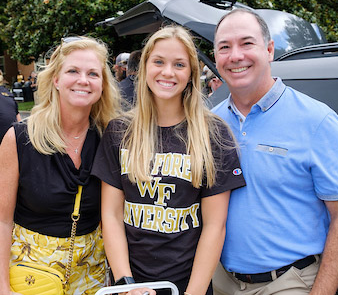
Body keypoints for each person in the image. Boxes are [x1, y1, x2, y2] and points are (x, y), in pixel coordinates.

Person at [211, 9, 338, 295]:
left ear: (269, 50)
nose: (235, 55)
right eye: (224, 47)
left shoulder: (317, 121)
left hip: (288, 283)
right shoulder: (211, 122)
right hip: (221, 281)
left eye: (247, 43)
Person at [93, 26, 245, 295]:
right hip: (131, 284)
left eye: (179, 64)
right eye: (159, 62)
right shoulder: (119, 131)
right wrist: (127, 284)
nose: (167, 72)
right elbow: (112, 216)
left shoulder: (213, 133)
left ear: (191, 74)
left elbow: (214, 226)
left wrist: (193, 292)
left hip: (189, 285)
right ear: (144, 67)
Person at [0, 36, 121, 295]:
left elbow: (112, 219)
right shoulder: (19, 139)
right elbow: (0, 221)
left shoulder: (110, 139)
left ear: (102, 84)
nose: (83, 80)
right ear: (56, 80)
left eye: (93, 73)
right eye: (73, 71)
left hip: (90, 279)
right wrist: (1, 288)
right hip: (32, 278)